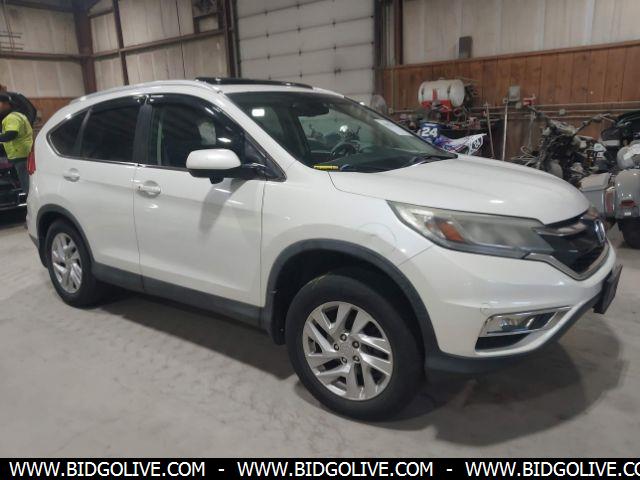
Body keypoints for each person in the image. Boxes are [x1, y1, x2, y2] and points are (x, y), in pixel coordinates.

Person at [0, 92, 33, 196]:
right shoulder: (19, 115)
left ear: (6, 104)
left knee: (27, 186)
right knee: (26, 182)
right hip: (24, 153)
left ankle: (31, 202)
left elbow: (11, 134)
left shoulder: (11, 118)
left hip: (20, 155)